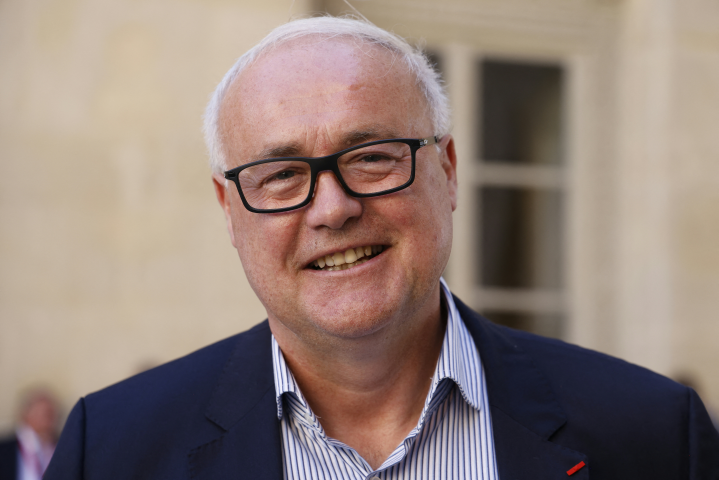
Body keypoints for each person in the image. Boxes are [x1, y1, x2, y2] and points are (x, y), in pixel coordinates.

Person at [45, 16, 719, 479]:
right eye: (281, 175)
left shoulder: (654, 435)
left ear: (448, 169)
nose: (332, 209)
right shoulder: (111, 451)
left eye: (370, 157)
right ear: (229, 209)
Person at [0, 389, 59, 480]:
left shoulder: (58, 446)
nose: (46, 421)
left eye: (49, 414)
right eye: (40, 412)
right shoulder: (5, 449)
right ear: (25, 414)